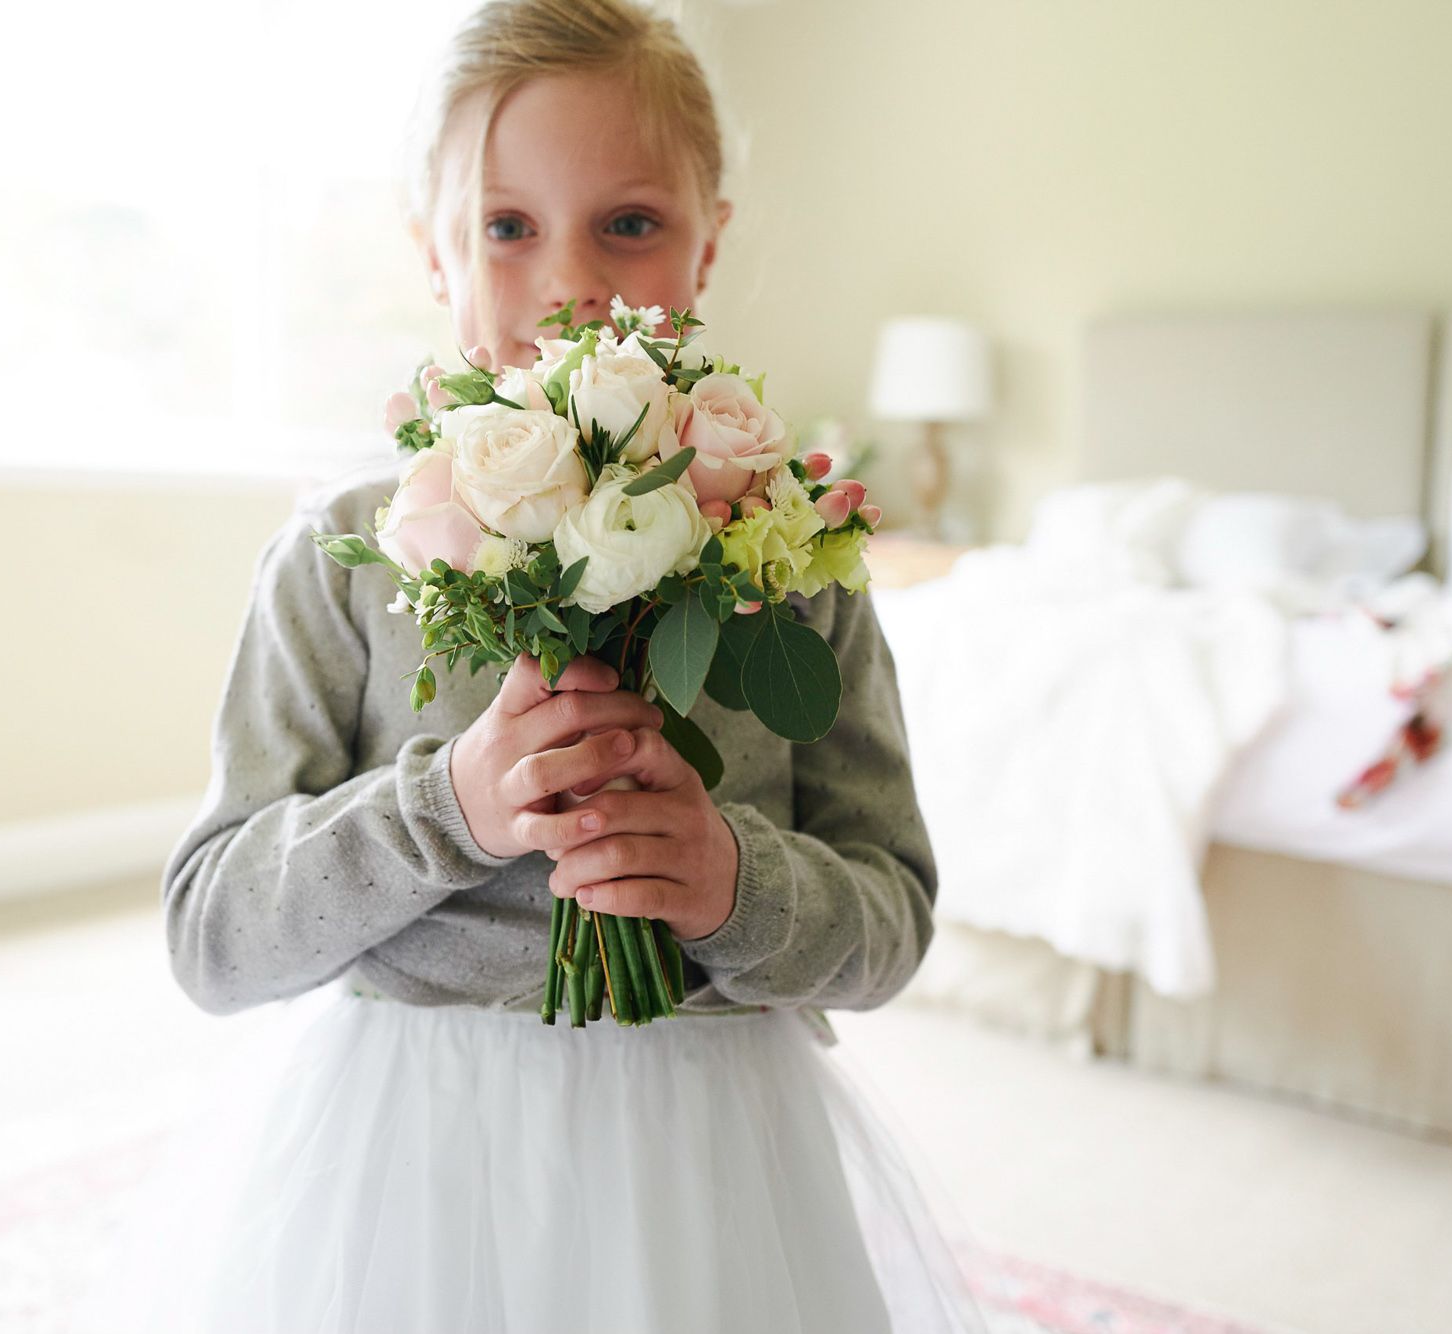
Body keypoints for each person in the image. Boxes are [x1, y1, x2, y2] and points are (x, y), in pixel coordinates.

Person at [73, 2, 990, 1330]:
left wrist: (736, 883)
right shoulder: (340, 556)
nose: (571, 285)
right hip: (409, 1156)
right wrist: (439, 807)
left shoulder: (794, 556)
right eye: (506, 226)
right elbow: (212, 936)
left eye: (629, 222)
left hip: (711, 1157)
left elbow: (889, 916)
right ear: (432, 252)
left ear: (708, 244)